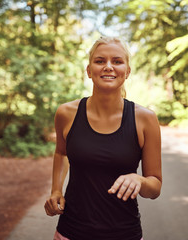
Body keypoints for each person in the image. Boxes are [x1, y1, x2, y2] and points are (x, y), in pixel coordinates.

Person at [44, 36, 162, 240]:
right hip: (70, 232)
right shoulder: (66, 113)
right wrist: (56, 190)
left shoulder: (145, 119)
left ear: (127, 71)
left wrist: (139, 180)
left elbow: (155, 187)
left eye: (117, 61)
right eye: (100, 61)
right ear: (89, 71)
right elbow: (61, 152)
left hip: (125, 233)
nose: (108, 67)